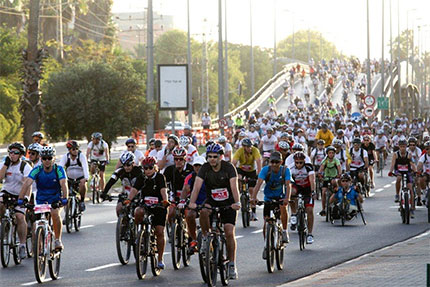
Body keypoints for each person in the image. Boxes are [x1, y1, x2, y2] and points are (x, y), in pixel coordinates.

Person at [188, 143, 240, 280]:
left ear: (221, 157)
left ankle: (232, 264)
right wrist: (192, 203)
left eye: (215, 157)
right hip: (212, 201)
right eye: (209, 157)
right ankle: (206, 237)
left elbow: (234, 187)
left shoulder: (229, 168)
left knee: (229, 232)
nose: (212, 159)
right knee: (204, 211)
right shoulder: (204, 168)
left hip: (228, 203)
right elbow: (196, 187)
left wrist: (237, 202)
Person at [19, 146, 68, 251]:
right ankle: (38, 245)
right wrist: (21, 198)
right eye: (44, 158)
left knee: (55, 214)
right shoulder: (37, 170)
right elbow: (27, 183)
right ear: (41, 159)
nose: (47, 161)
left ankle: (57, 240)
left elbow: (63, 184)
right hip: (41, 199)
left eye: (49, 158)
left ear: (53, 158)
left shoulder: (58, 169)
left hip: (55, 198)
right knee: (38, 223)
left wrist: (65, 198)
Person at [128, 156, 170, 270]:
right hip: (146, 205)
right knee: (138, 211)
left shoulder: (160, 177)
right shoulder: (142, 177)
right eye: (145, 168)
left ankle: (160, 259)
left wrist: (165, 200)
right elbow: (134, 190)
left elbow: (163, 190)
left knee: (160, 232)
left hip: (159, 206)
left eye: (150, 168)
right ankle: (139, 234)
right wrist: (129, 199)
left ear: (155, 167)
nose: (148, 170)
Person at [252, 151, 291, 254]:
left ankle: (284, 231)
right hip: (268, 198)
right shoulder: (265, 170)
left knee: (283, 209)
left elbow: (288, 185)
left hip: (280, 197)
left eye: (276, 162)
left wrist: (287, 198)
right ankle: (266, 245)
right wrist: (253, 197)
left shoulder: (285, 171)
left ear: (281, 162)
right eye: (272, 162)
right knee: (266, 222)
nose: (274, 164)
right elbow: (259, 183)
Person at [0, 142, 33, 259]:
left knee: (19, 216)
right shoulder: (5, 164)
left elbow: (27, 184)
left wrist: (25, 198)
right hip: (6, 192)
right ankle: (3, 226)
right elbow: (0, 178)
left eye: (16, 153)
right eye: (11, 152)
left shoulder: (25, 167)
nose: (12, 155)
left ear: (21, 155)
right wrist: (5, 165)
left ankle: (22, 245)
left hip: (20, 194)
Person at [178, 156, 207, 252]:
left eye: (200, 166)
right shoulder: (190, 177)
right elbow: (185, 189)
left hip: (208, 203)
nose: (198, 168)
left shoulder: (209, 175)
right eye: (196, 166)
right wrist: (182, 201)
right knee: (189, 215)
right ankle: (194, 239)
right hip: (195, 203)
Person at [101, 152, 143, 216]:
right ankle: (122, 224)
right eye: (124, 165)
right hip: (125, 194)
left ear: (133, 163)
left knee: (138, 213)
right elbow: (111, 182)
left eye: (128, 165)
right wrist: (104, 193)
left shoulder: (139, 171)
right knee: (119, 208)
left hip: (138, 195)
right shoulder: (119, 171)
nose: (126, 167)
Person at [288, 152, 316, 244]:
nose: (299, 164)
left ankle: (310, 234)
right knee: (291, 193)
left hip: (307, 188)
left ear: (304, 161)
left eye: (301, 162)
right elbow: (288, 182)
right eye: (297, 162)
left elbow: (312, 180)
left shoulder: (309, 167)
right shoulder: (291, 167)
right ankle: (294, 213)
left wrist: (313, 191)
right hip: (297, 186)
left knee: (309, 210)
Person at [232, 138, 262, 221]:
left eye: (250, 146)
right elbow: (234, 162)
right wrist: (233, 175)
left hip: (251, 170)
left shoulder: (255, 150)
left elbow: (258, 162)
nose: (249, 148)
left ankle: (253, 212)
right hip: (241, 170)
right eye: (248, 147)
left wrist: (259, 173)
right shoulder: (240, 151)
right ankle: (239, 194)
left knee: (252, 190)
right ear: (244, 147)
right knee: (239, 178)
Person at [163, 147, 193, 226]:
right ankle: (172, 230)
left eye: (181, 159)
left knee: (188, 214)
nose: (178, 161)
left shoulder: (191, 169)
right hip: (174, 195)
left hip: (188, 195)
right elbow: (164, 184)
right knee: (170, 213)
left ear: (185, 159)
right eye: (176, 159)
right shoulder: (169, 170)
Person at [388, 140, 416, 217]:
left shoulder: (409, 155)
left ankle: (412, 208)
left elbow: (412, 164)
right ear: (399, 147)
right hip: (399, 171)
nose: (402, 148)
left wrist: (415, 171)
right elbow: (393, 164)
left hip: (407, 171)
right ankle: (397, 194)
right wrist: (390, 171)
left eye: (404, 146)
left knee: (410, 189)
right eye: (401, 147)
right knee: (399, 178)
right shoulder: (396, 154)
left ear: (406, 147)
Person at [59, 140, 89, 211]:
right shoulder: (65, 157)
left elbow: (85, 167)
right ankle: (67, 214)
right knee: (65, 195)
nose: (75, 151)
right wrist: (59, 178)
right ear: (69, 150)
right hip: (69, 179)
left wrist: (86, 178)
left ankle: (82, 201)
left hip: (80, 178)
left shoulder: (81, 156)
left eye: (77, 149)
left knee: (83, 184)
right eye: (73, 149)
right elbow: (60, 168)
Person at [318, 146, 342, 216]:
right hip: (326, 178)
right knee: (323, 192)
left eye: (332, 153)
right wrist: (320, 174)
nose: (331, 154)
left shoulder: (336, 160)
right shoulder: (325, 160)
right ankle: (323, 209)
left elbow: (339, 167)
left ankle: (337, 200)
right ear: (327, 154)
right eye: (329, 153)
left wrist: (339, 174)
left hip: (334, 178)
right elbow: (321, 168)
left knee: (334, 184)